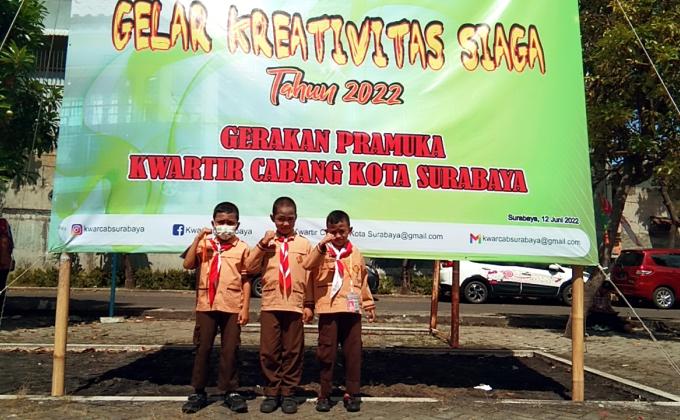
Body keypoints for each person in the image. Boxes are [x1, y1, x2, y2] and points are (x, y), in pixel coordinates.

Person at [303, 210, 376, 413]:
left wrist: (368, 304)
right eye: (332, 232)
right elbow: (307, 267)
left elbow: (362, 281)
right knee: (326, 353)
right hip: (329, 310)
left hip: (351, 310)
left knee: (353, 354)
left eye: (342, 231)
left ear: (349, 230)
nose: (337, 235)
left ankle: (352, 393)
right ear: (326, 231)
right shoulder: (321, 252)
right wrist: (321, 245)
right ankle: (324, 393)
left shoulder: (356, 254)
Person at [181, 202, 251, 414]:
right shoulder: (204, 244)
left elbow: (246, 279)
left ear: (237, 225)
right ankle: (198, 391)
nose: (225, 226)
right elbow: (188, 264)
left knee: (230, 349)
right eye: (221, 222)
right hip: (206, 305)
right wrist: (197, 240)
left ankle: (230, 391)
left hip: (232, 305)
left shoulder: (243, 248)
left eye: (230, 222)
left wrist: (245, 308)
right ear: (213, 223)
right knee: (203, 347)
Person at [245, 197, 311, 414]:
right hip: (271, 304)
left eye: (290, 219)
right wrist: (262, 245)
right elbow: (249, 267)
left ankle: (289, 392)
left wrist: (309, 304)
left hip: (295, 304)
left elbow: (309, 276)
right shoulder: (266, 244)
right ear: (273, 218)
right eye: (281, 219)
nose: (285, 223)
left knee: (293, 351)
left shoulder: (304, 245)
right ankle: (272, 392)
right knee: (269, 351)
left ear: (296, 219)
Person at [0, 218, 14, 306]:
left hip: (4, 263)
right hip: (5, 264)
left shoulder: (3, 223)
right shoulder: (4, 224)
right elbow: (11, 246)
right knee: (2, 286)